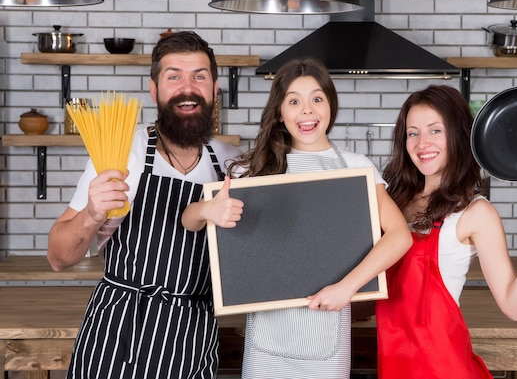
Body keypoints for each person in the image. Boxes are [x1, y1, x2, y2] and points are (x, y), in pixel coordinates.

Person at [182, 57, 412, 379]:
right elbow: (188, 219)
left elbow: (400, 236)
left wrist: (347, 288)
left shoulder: (356, 168)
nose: (307, 110)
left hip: (326, 338)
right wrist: (207, 210)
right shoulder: (256, 169)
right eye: (294, 101)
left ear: (330, 105)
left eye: (317, 99)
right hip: (265, 340)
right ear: (279, 112)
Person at [47, 31, 243, 379]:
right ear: (154, 90)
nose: (188, 88)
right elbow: (58, 257)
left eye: (199, 76)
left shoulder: (230, 163)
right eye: (174, 77)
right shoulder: (124, 152)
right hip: (119, 334)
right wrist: (92, 214)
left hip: (192, 337)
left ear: (214, 89)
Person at [375, 85, 517, 379]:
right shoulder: (391, 205)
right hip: (394, 369)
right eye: (412, 132)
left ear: (457, 135)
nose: (422, 143)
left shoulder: (475, 212)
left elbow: (513, 306)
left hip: (446, 370)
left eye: (435, 130)